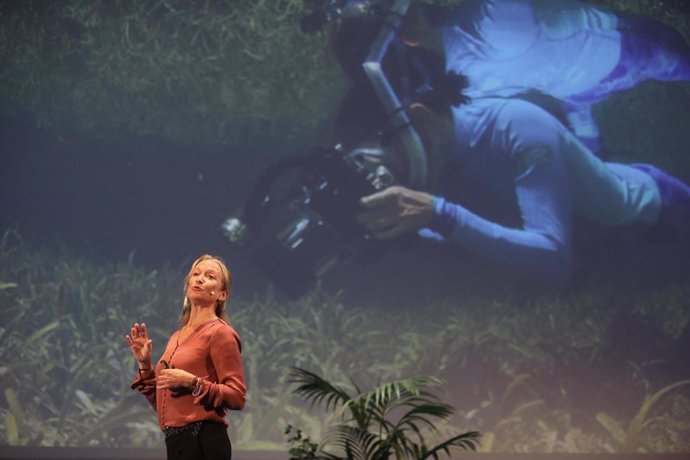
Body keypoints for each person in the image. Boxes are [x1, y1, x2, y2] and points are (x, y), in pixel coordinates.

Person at [351, 71, 690, 285]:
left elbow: (554, 260)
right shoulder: (446, 151)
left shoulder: (517, 126)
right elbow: (475, 237)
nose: (397, 170)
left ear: (421, 120)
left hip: (660, 213)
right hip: (609, 245)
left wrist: (441, 215)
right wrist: (409, 231)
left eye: (392, 154)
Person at [399, 0, 690, 152]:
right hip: (613, 52)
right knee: (672, 52)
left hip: (573, 90)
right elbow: (558, 19)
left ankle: (599, 168)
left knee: (585, 135)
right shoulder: (487, 20)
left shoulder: (461, 85)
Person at [126, 255, 246, 460]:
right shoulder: (176, 337)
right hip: (177, 442)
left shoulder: (220, 333)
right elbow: (167, 402)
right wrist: (145, 365)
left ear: (222, 294)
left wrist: (192, 382)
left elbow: (237, 397)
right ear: (187, 284)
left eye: (209, 276)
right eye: (196, 274)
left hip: (203, 440)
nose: (199, 279)